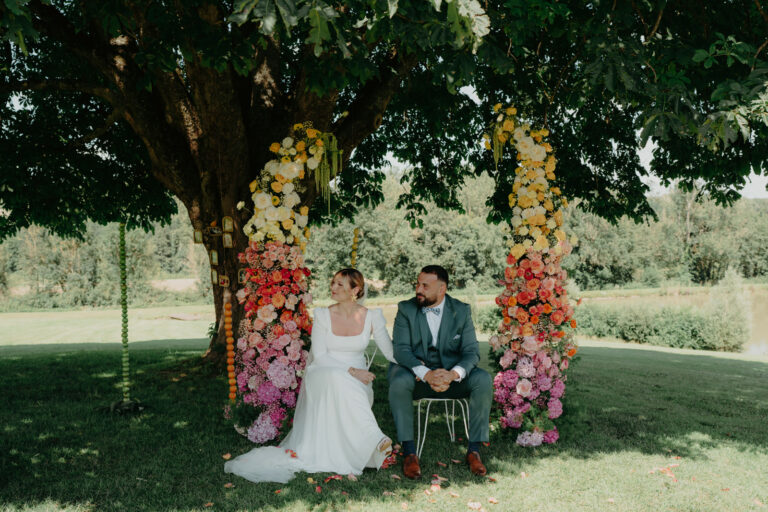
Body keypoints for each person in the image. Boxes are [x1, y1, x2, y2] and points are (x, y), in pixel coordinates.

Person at [225, 268, 396, 483]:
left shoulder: (373, 316)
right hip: (324, 371)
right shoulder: (324, 315)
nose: (333, 287)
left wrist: (420, 368)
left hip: (357, 379)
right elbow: (322, 356)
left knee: (345, 384)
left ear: (356, 290)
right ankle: (376, 438)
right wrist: (353, 371)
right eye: (333, 282)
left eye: (340, 284)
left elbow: (390, 352)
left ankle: (367, 445)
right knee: (338, 378)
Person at [388, 265, 493, 479]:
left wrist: (453, 374)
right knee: (398, 380)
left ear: (442, 288)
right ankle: (409, 453)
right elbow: (401, 350)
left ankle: (473, 451)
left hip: (450, 378)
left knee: (482, 379)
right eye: (418, 284)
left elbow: (471, 352)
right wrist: (426, 374)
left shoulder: (461, 310)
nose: (419, 289)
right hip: (416, 377)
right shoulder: (406, 309)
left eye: (425, 285)